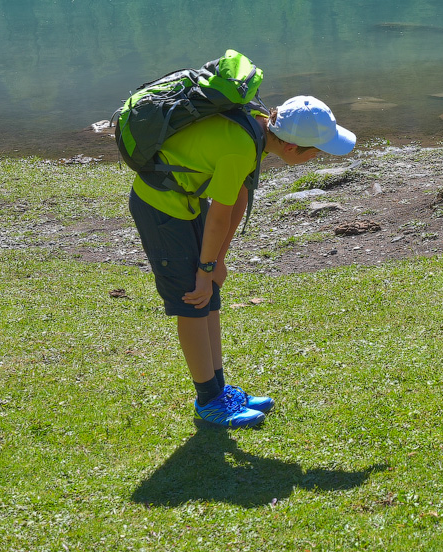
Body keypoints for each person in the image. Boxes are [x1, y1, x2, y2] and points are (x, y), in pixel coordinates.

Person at [128, 95, 356, 428]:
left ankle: (219, 389)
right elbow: (219, 216)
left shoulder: (259, 127)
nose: (317, 156)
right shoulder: (241, 147)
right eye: (316, 151)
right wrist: (205, 270)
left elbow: (239, 197)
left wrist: (217, 262)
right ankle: (208, 400)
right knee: (193, 298)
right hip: (161, 206)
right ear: (292, 148)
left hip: (185, 199)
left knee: (210, 296)